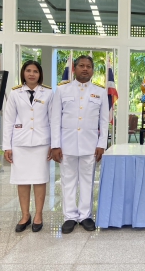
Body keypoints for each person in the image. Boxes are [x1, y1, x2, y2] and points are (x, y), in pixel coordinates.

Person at [51, 55, 109, 234]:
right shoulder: (62, 90)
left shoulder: (100, 92)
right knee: (68, 181)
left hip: (90, 145)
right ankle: (70, 216)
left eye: (89, 66)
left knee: (87, 181)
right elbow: (55, 119)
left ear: (93, 70)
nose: (85, 69)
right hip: (66, 144)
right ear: (74, 69)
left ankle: (85, 216)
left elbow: (104, 121)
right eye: (82, 66)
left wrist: (101, 144)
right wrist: (55, 145)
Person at [2, 61, 53, 233]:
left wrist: (53, 145)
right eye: (28, 71)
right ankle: (25, 215)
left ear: (40, 74)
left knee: (40, 179)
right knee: (22, 180)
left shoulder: (48, 93)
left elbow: (53, 120)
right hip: (20, 143)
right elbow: (8, 120)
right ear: (23, 73)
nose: (32, 74)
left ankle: (38, 215)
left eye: (35, 71)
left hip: (41, 143)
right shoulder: (15, 93)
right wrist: (6, 146)